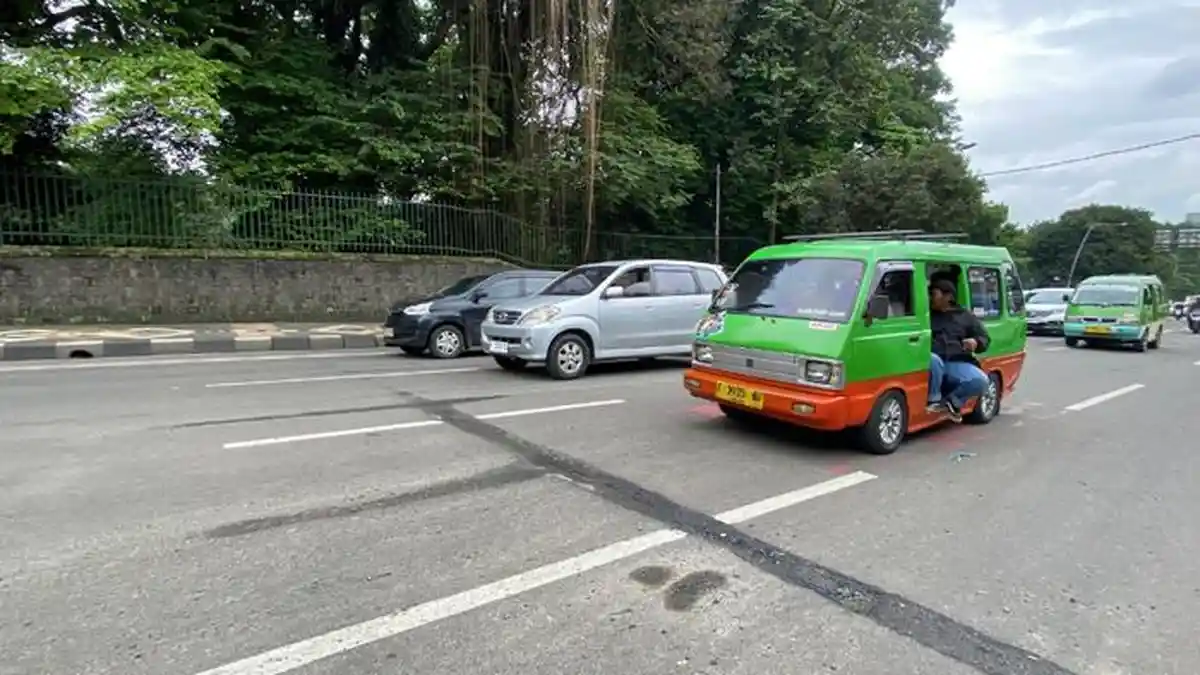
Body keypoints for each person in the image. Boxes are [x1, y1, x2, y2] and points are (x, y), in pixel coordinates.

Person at [926, 278, 991, 422]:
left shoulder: (965, 316)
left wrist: (976, 342)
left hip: (956, 361)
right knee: (934, 360)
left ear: (947, 297)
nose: (930, 298)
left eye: (934, 294)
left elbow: (985, 338)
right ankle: (934, 401)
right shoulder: (926, 315)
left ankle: (951, 403)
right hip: (933, 360)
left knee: (981, 381)